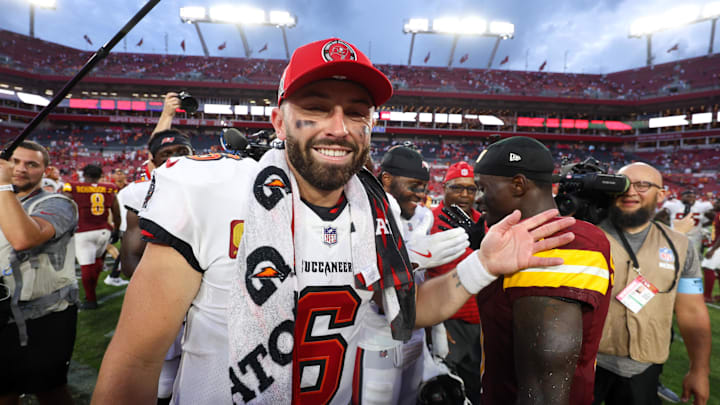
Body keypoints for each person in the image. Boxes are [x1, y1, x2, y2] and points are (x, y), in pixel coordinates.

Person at [92, 37, 576, 404]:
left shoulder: (375, 206)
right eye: (317, 108)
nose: (339, 127)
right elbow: (136, 359)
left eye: (356, 112)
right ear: (279, 121)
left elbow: (403, 313)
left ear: (370, 126)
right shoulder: (214, 194)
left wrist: (483, 266)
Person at [471, 136, 614, 405]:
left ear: (518, 184)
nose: (478, 200)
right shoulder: (519, 239)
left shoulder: (558, 244)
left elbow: (543, 392)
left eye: (483, 188)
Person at [356, 146, 470, 404]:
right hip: (377, 336)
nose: (421, 194)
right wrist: (408, 259)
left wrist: (436, 329)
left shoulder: (423, 217)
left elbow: (421, 282)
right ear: (386, 179)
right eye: (414, 185)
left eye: (424, 186)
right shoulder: (364, 212)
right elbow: (360, 280)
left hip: (415, 334)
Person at [593, 162, 711, 405]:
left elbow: (693, 312)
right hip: (585, 364)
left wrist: (699, 370)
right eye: (623, 183)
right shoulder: (586, 235)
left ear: (662, 194)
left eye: (642, 185)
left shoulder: (680, 245)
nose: (630, 191)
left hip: (643, 367)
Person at [0, 141, 79, 405]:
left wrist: (2, 186)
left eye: (31, 164)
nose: (21, 169)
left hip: (45, 315)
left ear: (45, 170)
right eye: (15, 161)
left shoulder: (58, 203)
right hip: (3, 310)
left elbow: (24, 238)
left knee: (49, 389)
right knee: (4, 388)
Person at [117, 92, 193, 279]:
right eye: (166, 155)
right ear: (154, 161)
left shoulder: (209, 181)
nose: (175, 158)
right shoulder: (141, 193)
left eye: (182, 152)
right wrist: (167, 115)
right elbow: (131, 260)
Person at [427, 161, 484, 404]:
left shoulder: (483, 222)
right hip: (445, 322)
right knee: (444, 390)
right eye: (457, 188)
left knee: (475, 387)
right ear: (444, 187)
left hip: (480, 324)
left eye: (470, 189)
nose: (464, 195)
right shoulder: (427, 221)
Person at [63, 164, 119, 309]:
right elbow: (116, 210)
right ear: (101, 175)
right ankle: (91, 292)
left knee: (86, 265)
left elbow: (64, 203)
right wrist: (117, 229)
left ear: (84, 174)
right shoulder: (109, 188)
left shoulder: (72, 186)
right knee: (97, 261)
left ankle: (91, 299)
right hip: (104, 230)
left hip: (84, 230)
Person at [661, 189, 714, 254]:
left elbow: (714, 218)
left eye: (694, 197)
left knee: (693, 256)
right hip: (676, 235)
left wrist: (702, 225)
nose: (691, 198)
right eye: (688, 196)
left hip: (694, 237)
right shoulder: (673, 204)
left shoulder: (701, 206)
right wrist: (671, 224)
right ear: (681, 197)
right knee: (674, 254)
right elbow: (658, 216)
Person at [701, 199, 720, 302]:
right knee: (719, 270)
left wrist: (713, 249)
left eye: (717, 203)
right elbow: (707, 214)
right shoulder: (717, 214)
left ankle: (707, 296)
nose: (715, 204)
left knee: (708, 267)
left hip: (717, 246)